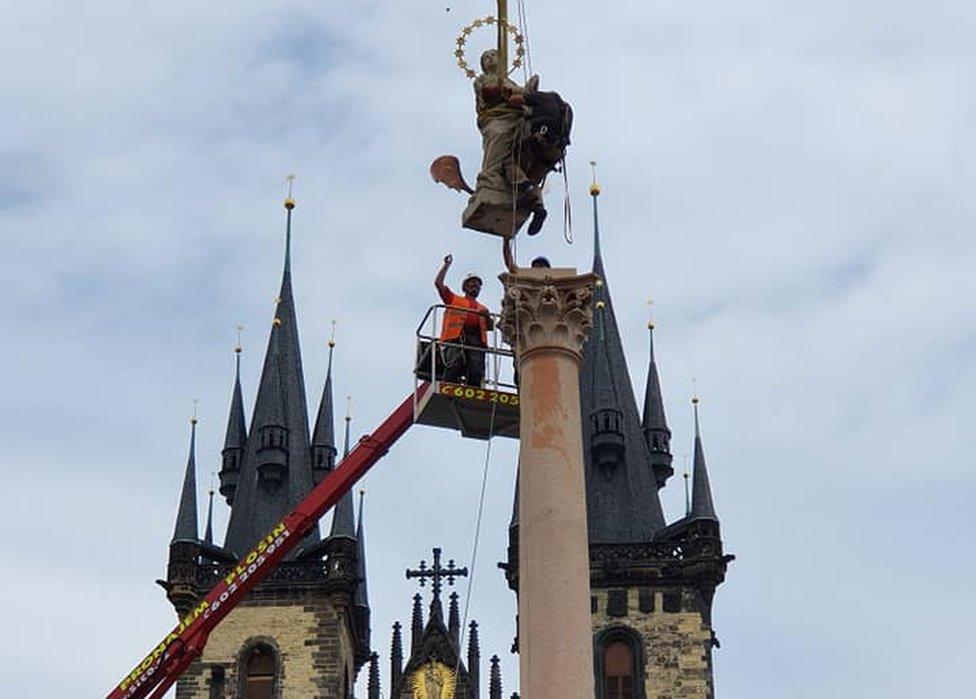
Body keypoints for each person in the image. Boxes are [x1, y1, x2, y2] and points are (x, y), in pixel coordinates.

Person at [434, 253, 494, 386]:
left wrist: (487, 315)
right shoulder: (454, 299)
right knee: (455, 363)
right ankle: (448, 387)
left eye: (478, 285)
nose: (475, 286)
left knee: (476, 370)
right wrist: (446, 265)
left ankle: (473, 389)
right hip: (456, 337)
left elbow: (491, 326)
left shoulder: (482, 308)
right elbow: (439, 284)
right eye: (472, 284)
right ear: (465, 287)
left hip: (476, 340)